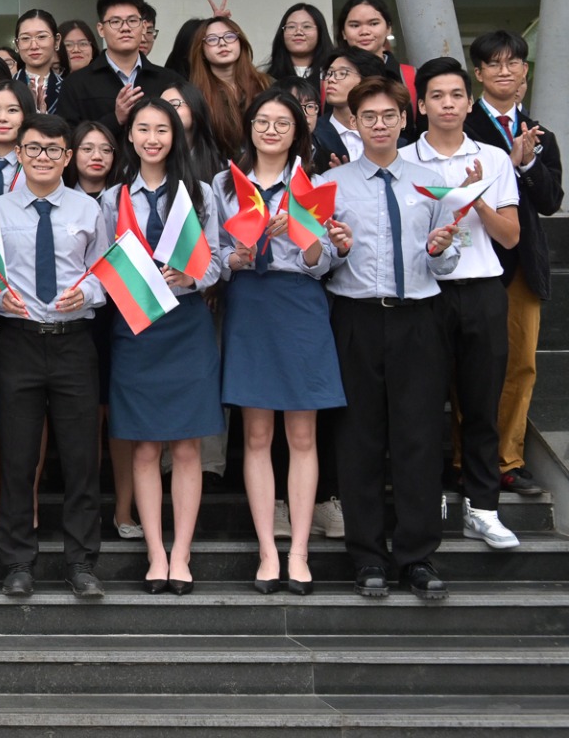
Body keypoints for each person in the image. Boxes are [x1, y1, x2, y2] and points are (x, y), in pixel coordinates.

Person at [321, 77, 460, 600]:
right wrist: (337, 247)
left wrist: (441, 247)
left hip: (419, 318)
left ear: (406, 119)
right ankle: (367, 557)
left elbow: (446, 260)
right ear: (353, 123)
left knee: (418, 439)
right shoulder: (332, 186)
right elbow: (318, 266)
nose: (379, 125)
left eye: (388, 116)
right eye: (368, 117)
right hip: (355, 317)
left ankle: (417, 557)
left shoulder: (430, 181)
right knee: (358, 440)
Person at [218, 88, 345, 594]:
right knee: (255, 436)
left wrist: (303, 233)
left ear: (298, 132)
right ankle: (268, 551)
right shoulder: (224, 185)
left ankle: (299, 553)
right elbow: (210, 255)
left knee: (303, 436)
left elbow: (327, 263)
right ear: (249, 127)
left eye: (282, 123)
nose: (271, 130)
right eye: (263, 121)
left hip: (300, 306)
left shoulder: (313, 186)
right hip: (250, 304)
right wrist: (236, 258)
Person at [102, 98, 224, 594]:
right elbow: (99, 266)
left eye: (162, 130)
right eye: (143, 129)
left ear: (175, 137)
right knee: (146, 446)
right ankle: (154, 553)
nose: (153, 138)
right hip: (136, 329)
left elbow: (218, 263)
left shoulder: (197, 193)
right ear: (129, 137)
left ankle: (182, 554)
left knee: (187, 446)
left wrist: (191, 275)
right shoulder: (112, 199)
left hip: (187, 326)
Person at [403, 57, 522, 549]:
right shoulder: (405, 158)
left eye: (456, 95)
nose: (447, 104)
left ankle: (484, 507)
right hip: (426, 294)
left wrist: (473, 198)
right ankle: (428, 499)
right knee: (422, 405)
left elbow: (511, 237)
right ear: (422, 103)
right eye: (437, 96)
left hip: (482, 291)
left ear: (468, 102)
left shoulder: (493, 158)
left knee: (480, 404)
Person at [0, 114, 111, 599]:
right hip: (17, 338)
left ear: (68, 156)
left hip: (73, 341)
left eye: (53, 150)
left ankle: (81, 561)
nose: (43, 157)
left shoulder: (88, 209)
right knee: (17, 457)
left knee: (82, 457)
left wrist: (88, 296)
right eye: (33, 148)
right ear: (18, 153)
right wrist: (1, 299)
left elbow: (105, 272)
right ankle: (18, 561)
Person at [462, 30, 561, 499]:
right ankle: (466, 459)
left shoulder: (541, 132)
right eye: (493, 63)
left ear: (525, 72)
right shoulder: (458, 123)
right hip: (471, 259)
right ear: (478, 73)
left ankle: (508, 460)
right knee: (469, 364)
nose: (504, 70)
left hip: (522, 263)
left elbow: (549, 200)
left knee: (520, 364)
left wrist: (523, 164)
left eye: (513, 63)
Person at [55, 0, 179, 132]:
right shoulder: (76, 84)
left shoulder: (169, 80)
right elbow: (67, 138)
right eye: (115, 22)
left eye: (132, 21)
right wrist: (115, 119)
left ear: (144, 27)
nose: (125, 28)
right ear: (101, 29)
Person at [187, 13, 271, 159]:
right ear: (201, 51)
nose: (222, 43)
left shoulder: (266, 84)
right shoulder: (194, 94)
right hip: (213, 174)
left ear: (241, 42)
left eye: (230, 36)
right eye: (212, 39)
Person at [15, 9, 66, 114]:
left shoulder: (69, 89)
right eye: (25, 38)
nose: (33, 46)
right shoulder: (6, 87)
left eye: (41, 37)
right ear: (17, 45)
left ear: (57, 41)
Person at [266, 3, 332, 84]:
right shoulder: (266, 80)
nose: (298, 32)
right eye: (291, 27)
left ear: (320, 32)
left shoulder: (333, 77)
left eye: (306, 26)